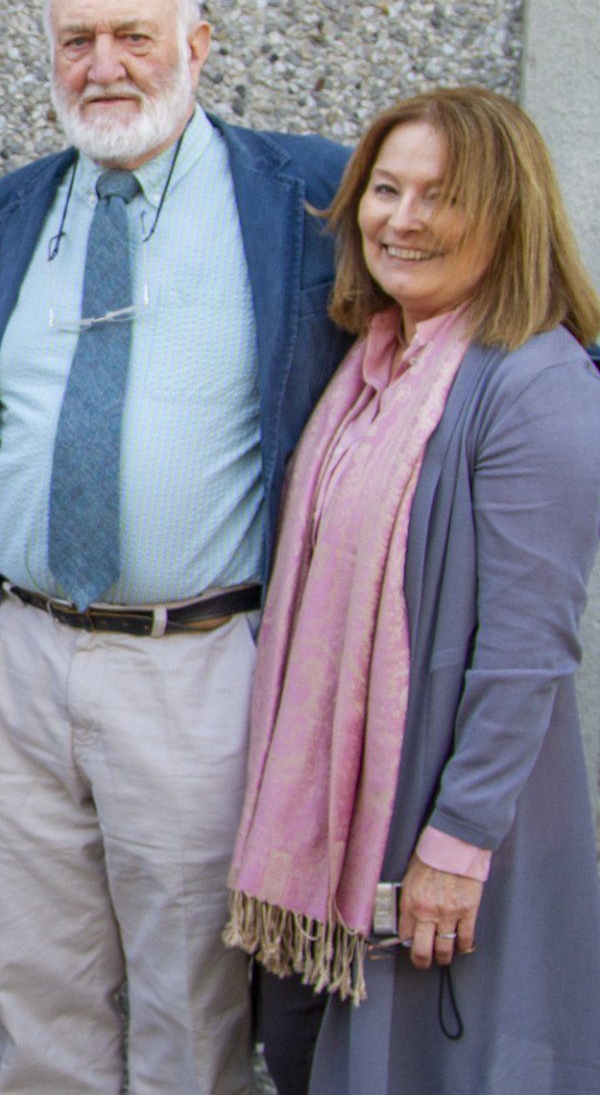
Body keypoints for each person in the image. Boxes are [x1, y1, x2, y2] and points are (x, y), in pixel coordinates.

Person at [0, 0, 350, 1093]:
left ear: (198, 45)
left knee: (193, 1007)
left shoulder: (307, 196)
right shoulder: (8, 213)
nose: (105, 65)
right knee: (35, 999)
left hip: (197, 664)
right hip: (18, 660)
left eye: (134, 35)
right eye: (77, 40)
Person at [224, 87, 600, 1094]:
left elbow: (528, 651)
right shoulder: (373, 365)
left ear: (508, 213)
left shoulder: (537, 384)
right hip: (332, 829)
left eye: (442, 195)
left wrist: (458, 843)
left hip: (436, 820)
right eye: (386, 190)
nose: (404, 219)